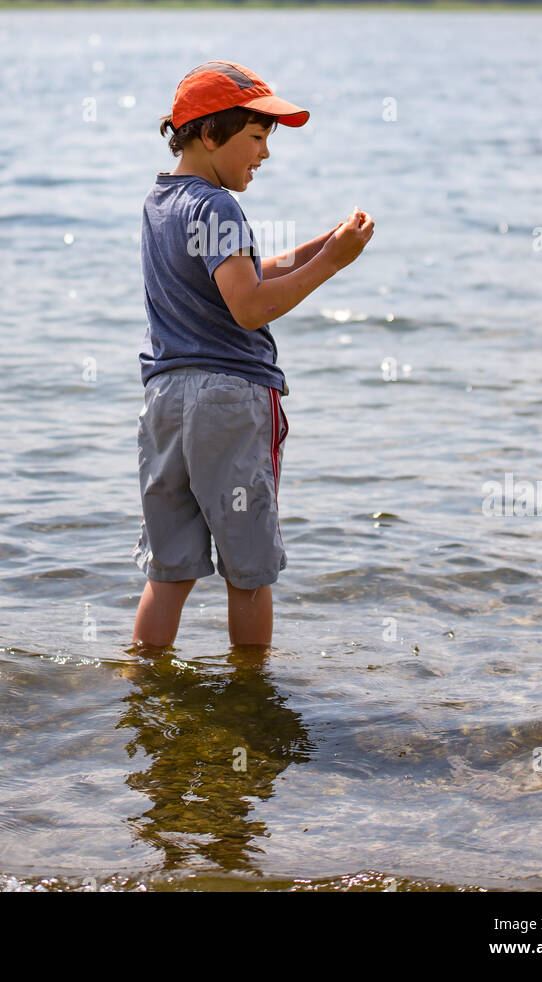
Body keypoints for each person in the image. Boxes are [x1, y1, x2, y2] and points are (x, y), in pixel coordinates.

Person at [132, 60, 374, 648]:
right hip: (229, 401)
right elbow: (248, 307)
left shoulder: (161, 202)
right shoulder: (218, 206)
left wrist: (321, 244)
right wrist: (334, 265)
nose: (265, 153)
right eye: (258, 137)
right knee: (250, 571)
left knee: (169, 571)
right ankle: (251, 698)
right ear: (212, 134)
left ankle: (143, 681)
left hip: (166, 400)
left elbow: (242, 276)